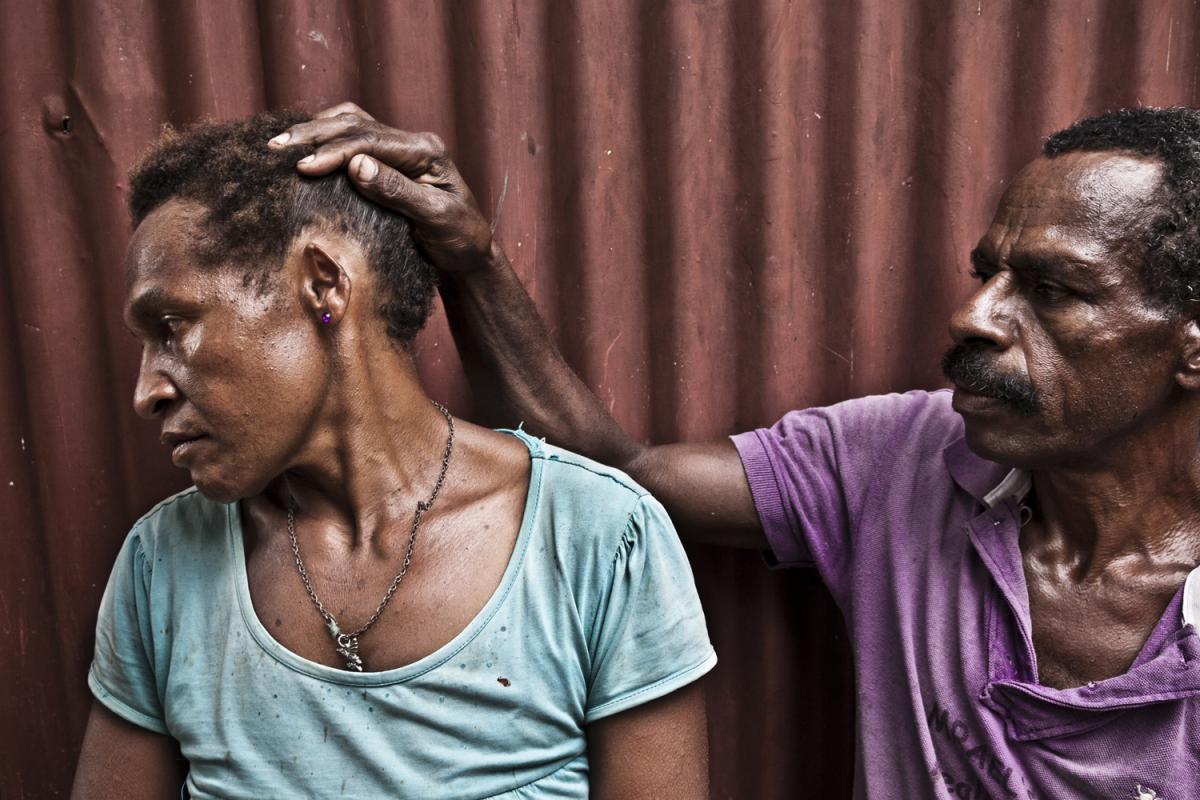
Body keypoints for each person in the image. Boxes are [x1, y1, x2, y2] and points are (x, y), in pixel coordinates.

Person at [282, 103, 1200, 798]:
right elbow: (616, 478)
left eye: (1051, 289)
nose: (975, 316)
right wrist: (469, 259)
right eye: (987, 273)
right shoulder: (906, 458)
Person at [71, 111, 716, 800]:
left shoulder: (597, 539)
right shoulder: (163, 566)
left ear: (323, 284)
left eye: (172, 327)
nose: (147, 392)